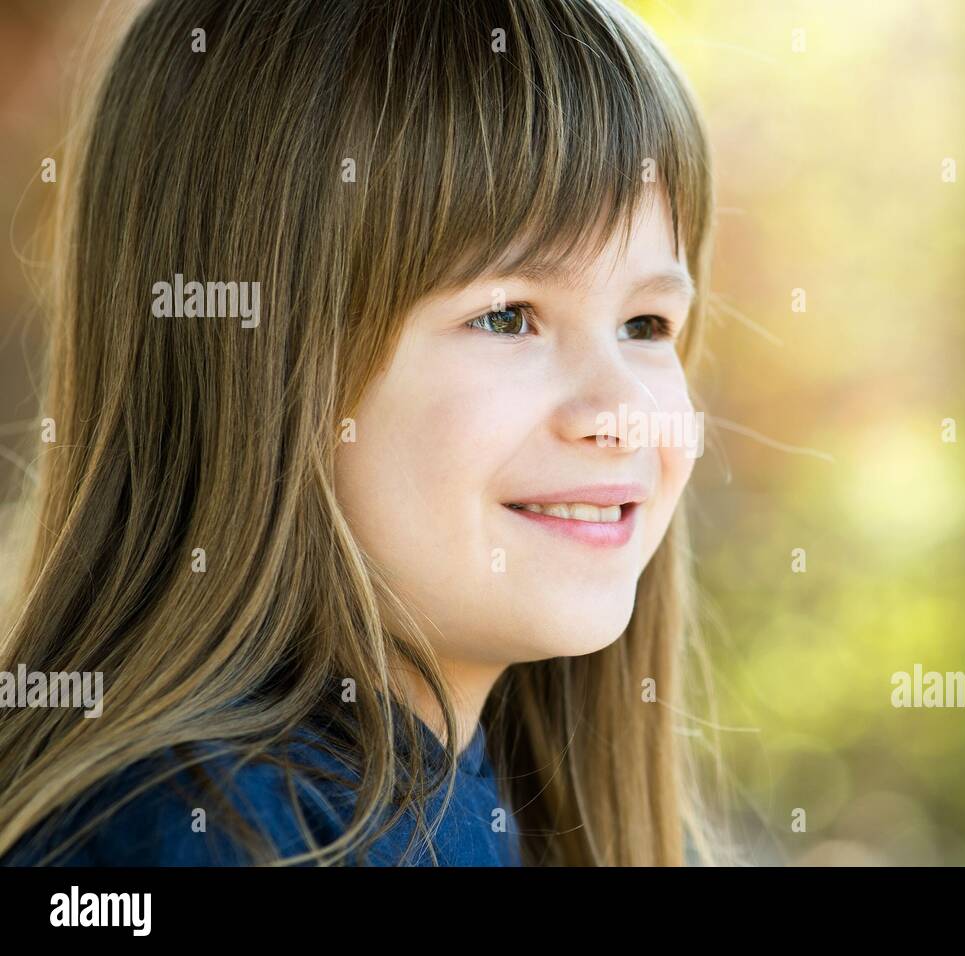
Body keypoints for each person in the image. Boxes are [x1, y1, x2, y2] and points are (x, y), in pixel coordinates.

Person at [0, 0, 726, 866]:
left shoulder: (515, 813)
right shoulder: (193, 837)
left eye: (646, 324)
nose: (618, 412)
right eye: (505, 317)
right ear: (256, 365)